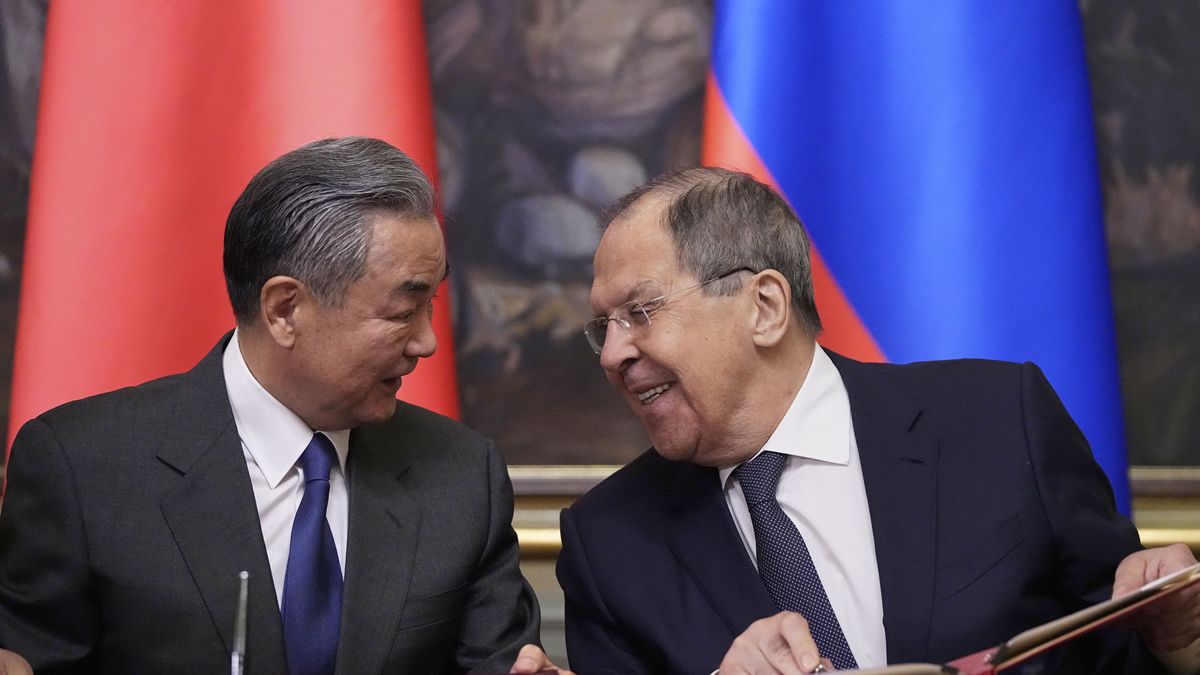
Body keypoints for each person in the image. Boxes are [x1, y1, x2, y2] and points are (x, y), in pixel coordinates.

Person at [556, 167, 1200, 674]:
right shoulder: (609, 544)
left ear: (764, 307)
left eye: (641, 312)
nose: (613, 354)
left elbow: (1125, 644)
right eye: (602, 327)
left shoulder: (1000, 421)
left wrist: (1177, 638)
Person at [0, 137, 566, 674]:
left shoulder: (462, 475)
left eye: (433, 305)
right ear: (285, 309)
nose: (428, 342)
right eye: (401, 313)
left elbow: (498, 659)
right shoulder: (81, 466)